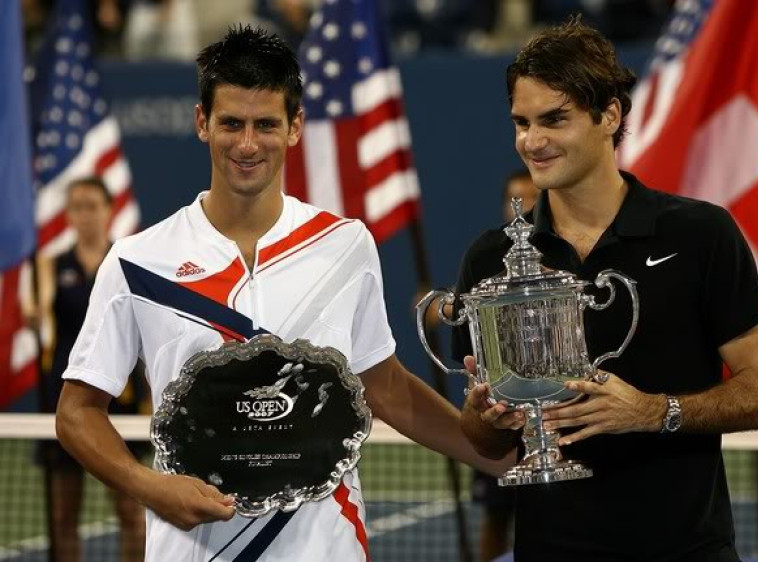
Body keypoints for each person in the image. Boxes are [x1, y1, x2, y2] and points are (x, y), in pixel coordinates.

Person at [54, 25, 505, 561]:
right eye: (231, 123)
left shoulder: (347, 245)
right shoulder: (136, 262)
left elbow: (385, 387)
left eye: (266, 124)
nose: (247, 145)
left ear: (295, 127)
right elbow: (76, 412)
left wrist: (507, 460)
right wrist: (149, 486)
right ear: (202, 123)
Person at [454, 15, 758, 561]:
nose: (532, 142)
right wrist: (489, 417)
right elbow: (484, 440)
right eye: (521, 123)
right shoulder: (491, 258)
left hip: (688, 552)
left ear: (609, 115)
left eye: (554, 120)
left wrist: (653, 411)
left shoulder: (701, 233)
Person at [26, 177, 147, 562]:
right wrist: (35, 313)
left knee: (131, 510)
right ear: (68, 214)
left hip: (120, 399)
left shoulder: (127, 262)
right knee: (63, 515)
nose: (85, 214)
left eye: (92, 205)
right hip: (68, 398)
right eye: (77, 206)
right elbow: (38, 311)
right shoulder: (49, 266)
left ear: (109, 210)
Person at [471, 169, 539, 562]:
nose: (523, 209)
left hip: (551, 414)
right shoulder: (486, 261)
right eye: (515, 200)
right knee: (496, 516)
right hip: (503, 407)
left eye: (532, 199)